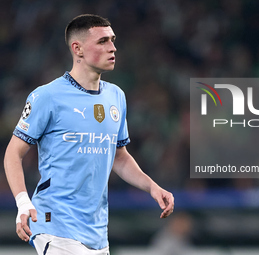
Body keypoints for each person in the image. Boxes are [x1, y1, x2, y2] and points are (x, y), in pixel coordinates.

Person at [3, 14, 174, 255]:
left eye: (113, 40)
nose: (113, 47)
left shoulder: (116, 96)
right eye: (103, 41)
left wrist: (152, 187)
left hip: (96, 231)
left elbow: (119, 156)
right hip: (54, 222)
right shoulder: (47, 96)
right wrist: (22, 203)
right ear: (78, 49)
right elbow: (13, 153)